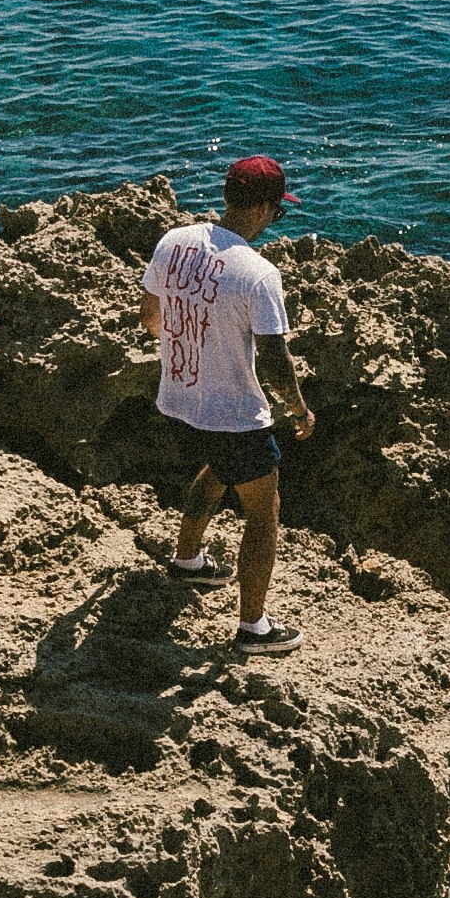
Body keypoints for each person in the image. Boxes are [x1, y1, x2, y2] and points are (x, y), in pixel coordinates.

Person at [139, 155, 315, 654]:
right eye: (278, 212)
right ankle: (253, 629)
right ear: (262, 209)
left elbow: (149, 313)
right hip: (234, 413)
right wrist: (300, 410)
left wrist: (184, 351)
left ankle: (188, 561)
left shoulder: (175, 241)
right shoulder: (257, 274)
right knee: (263, 511)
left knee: (217, 468)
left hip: (177, 399)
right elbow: (276, 363)